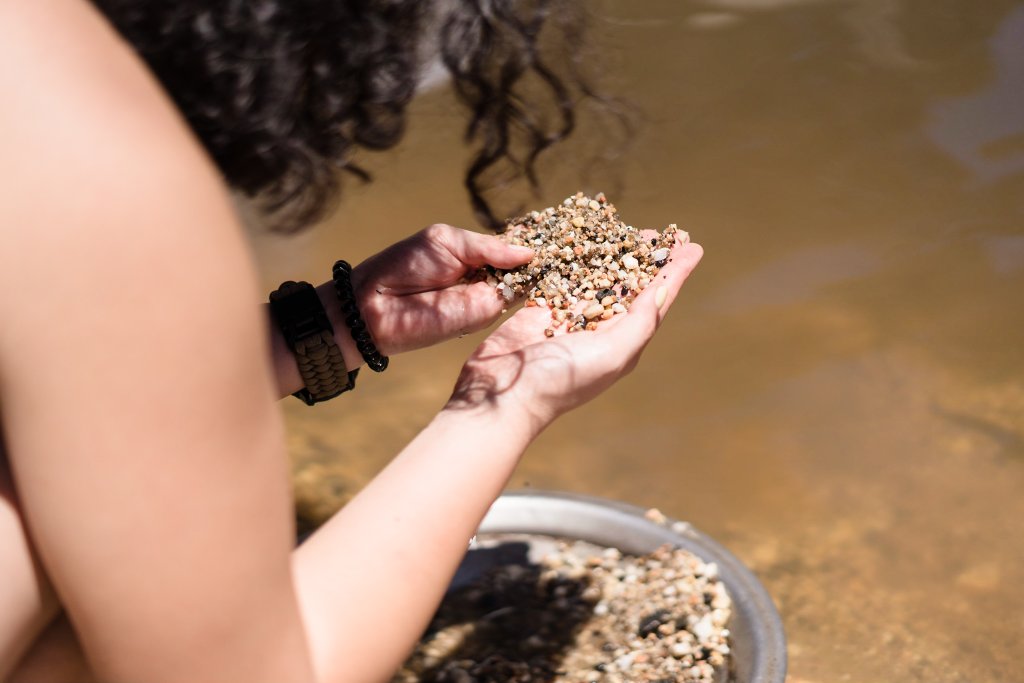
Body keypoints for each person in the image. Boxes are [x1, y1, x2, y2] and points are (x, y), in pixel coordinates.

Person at [0, 1, 703, 681]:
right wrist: (505, 400)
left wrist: (337, 324)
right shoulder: (107, 168)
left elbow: (81, 391)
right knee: (87, 631)